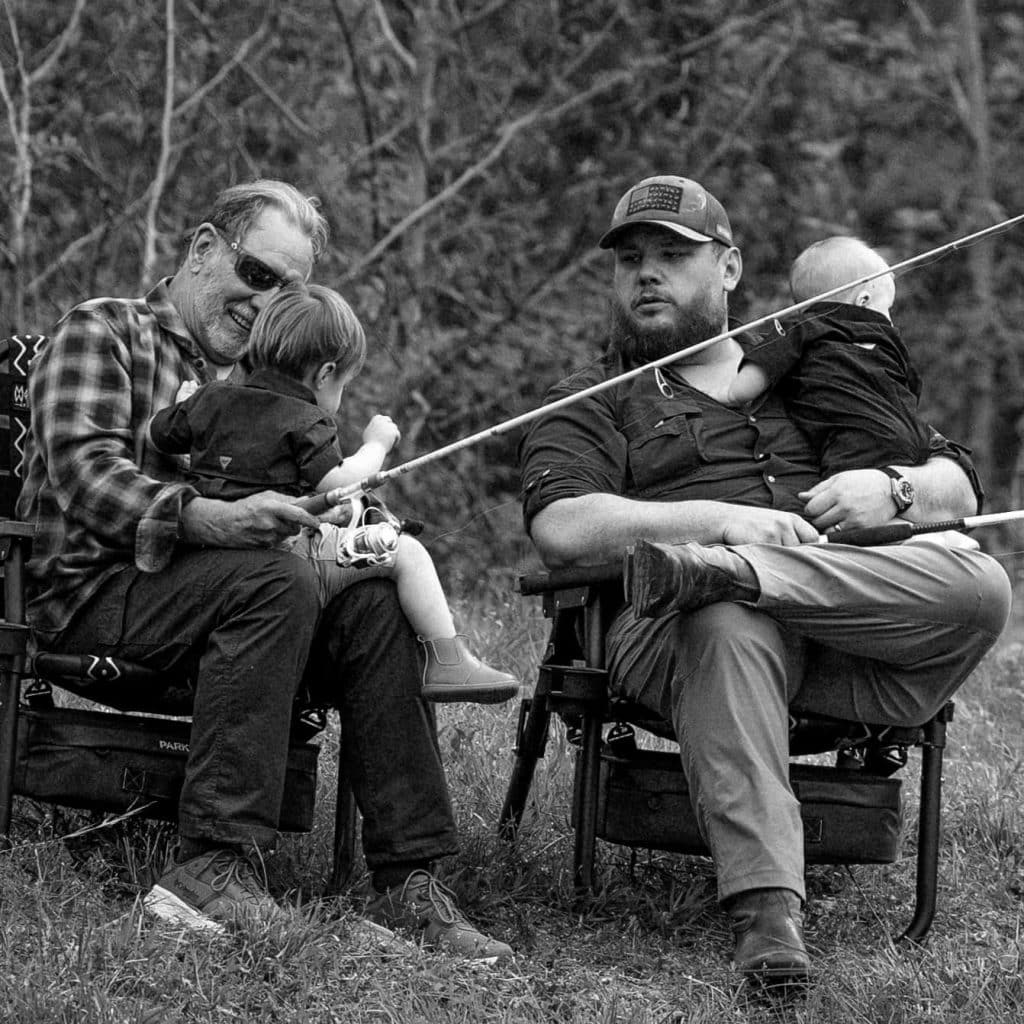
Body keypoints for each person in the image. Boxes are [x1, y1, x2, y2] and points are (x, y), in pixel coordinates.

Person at [517, 174, 1010, 983]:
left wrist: (890, 490)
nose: (647, 272)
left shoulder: (812, 356)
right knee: (726, 618)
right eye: (631, 258)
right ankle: (768, 915)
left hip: (856, 637)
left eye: (674, 255)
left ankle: (741, 575)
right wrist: (718, 521)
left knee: (982, 586)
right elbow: (563, 528)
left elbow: (954, 481)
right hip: (683, 641)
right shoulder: (597, 397)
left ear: (731, 269)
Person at [17, 179, 513, 961]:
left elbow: (325, 491)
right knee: (272, 582)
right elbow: (84, 472)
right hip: (97, 595)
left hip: (238, 614)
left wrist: (351, 520)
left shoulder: (274, 380)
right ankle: (211, 867)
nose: (266, 303)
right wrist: (210, 517)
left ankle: (407, 882)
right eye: (258, 275)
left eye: (290, 289)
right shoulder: (105, 330)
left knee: (373, 601)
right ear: (203, 249)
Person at [148, 281, 518, 705]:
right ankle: (449, 660)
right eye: (342, 383)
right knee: (409, 554)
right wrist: (376, 445)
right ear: (325, 373)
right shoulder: (306, 420)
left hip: (208, 560)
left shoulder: (211, 399)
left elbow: (158, 434)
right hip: (283, 555)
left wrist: (188, 402)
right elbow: (341, 484)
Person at [713, 235, 932, 483]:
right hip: (912, 443)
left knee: (847, 501)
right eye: (887, 309)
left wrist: (733, 394)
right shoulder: (888, 340)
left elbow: (767, 361)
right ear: (863, 302)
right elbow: (912, 387)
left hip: (853, 449)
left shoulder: (802, 326)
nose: (889, 320)